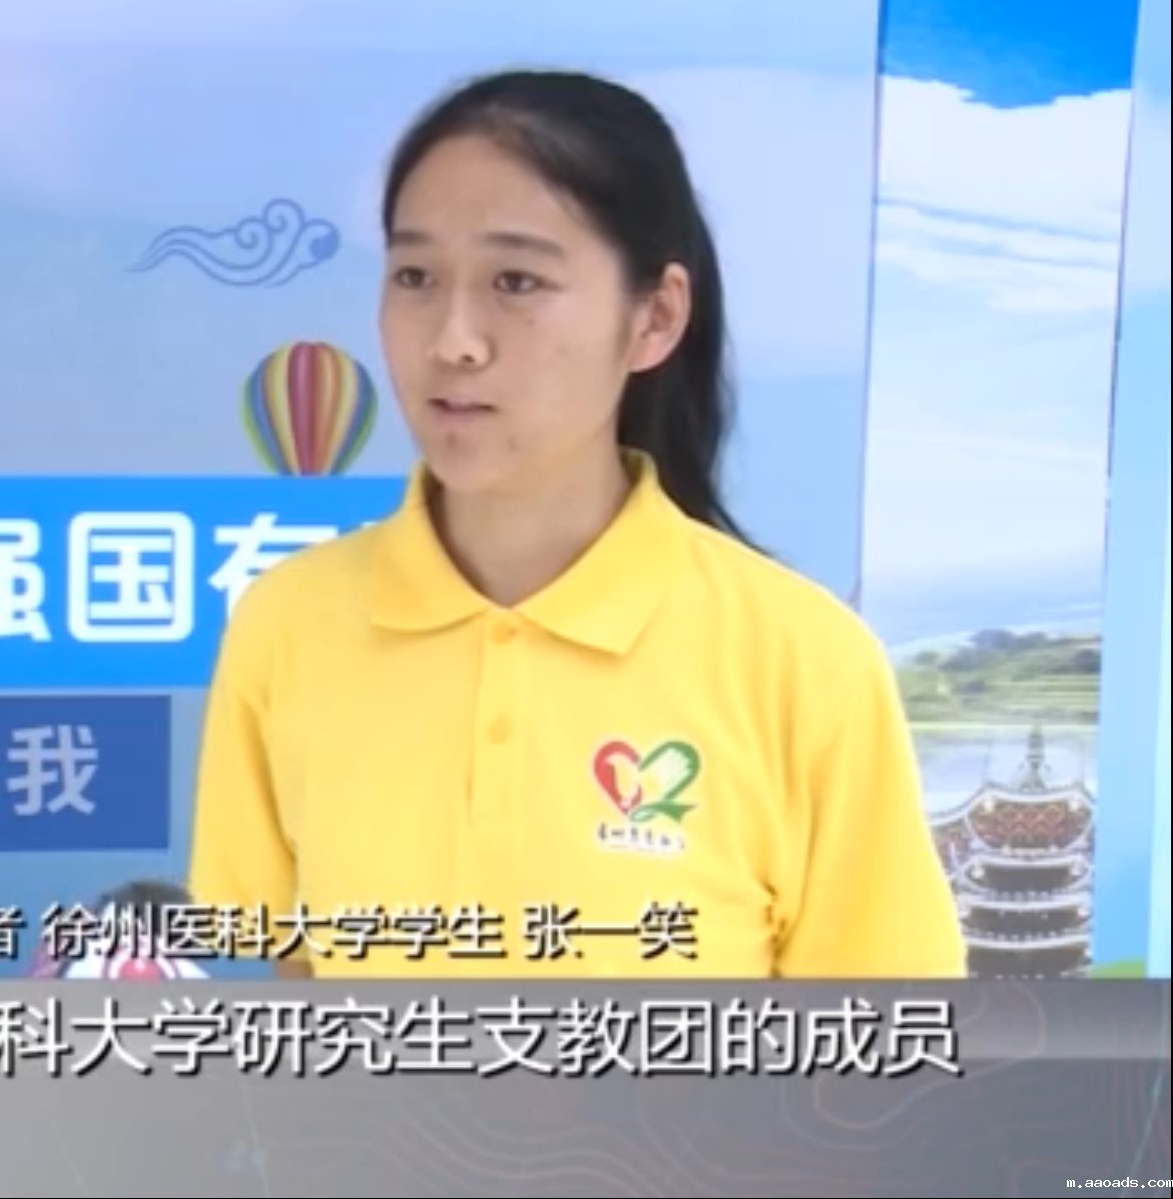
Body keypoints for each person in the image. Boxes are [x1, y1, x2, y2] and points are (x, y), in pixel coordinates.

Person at [186, 70, 965, 980]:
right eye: (415, 276)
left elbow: (876, 1046)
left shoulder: (807, 664)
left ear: (655, 318)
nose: (453, 339)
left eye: (517, 280)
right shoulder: (288, 623)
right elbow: (296, 975)